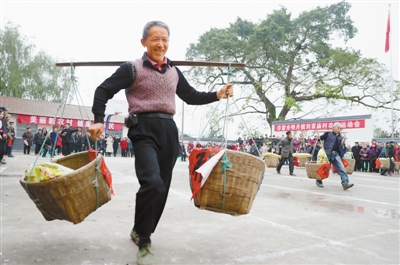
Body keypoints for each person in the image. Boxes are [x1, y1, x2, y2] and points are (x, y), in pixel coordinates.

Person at [88, 20, 234, 265]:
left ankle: (140, 229)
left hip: (168, 130)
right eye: (155, 38)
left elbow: (191, 96)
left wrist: (217, 94)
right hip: (142, 129)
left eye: (165, 39)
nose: (161, 43)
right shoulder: (132, 68)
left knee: (162, 188)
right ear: (143, 42)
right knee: (152, 182)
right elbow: (103, 90)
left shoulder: (174, 71)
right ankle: (144, 241)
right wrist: (99, 120)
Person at [315, 122, 354, 190]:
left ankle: (345, 183)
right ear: (333, 128)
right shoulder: (328, 134)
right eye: (338, 128)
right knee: (324, 169)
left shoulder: (341, 137)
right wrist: (318, 137)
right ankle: (319, 180)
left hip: (336, 154)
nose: (339, 129)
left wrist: (344, 144)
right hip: (327, 154)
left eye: (340, 128)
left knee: (342, 168)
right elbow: (319, 139)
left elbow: (341, 146)